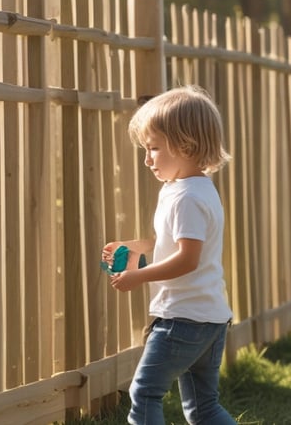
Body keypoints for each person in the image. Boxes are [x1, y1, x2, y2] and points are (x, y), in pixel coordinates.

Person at [101, 85, 237, 425]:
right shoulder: (194, 189)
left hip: (182, 320)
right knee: (203, 409)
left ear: (186, 144)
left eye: (154, 148)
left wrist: (137, 276)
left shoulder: (184, 198)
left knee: (144, 394)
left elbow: (186, 259)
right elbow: (174, 241)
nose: (147, 159)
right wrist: (136, 247)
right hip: (209, 318)